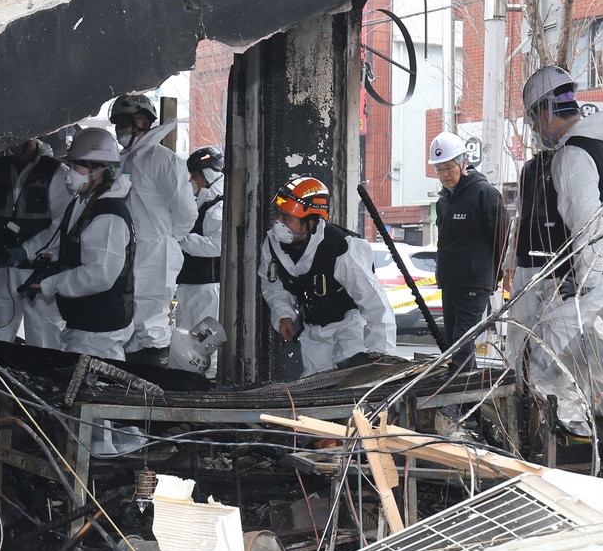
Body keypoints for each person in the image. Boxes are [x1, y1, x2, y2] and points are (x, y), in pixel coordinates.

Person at [509, 66, 603, 428]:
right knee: (590, 373)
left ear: (546, 112)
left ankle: (558, 447)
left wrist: (583, 283)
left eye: (535, 121)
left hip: (586, 289)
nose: (536, 129)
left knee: (544, 367)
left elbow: (587, 225)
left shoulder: (572, 156)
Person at [258, 176, 397, 376]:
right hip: (313, 332)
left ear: (311, 221)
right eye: (278, 215)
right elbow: (273, 285)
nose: (278, 224)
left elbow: (377, 307)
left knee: (350, 387)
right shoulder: (272, 245)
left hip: (350, 330)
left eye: (286, 218)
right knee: (315, 388)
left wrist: (380, 362)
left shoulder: (342, 249)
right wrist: (284, 315)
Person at [22, 127, 136, 359]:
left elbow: (99, 274)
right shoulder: (85, 202)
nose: (70, 173)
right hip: (85, 323)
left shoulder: (108, 213)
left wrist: (52, 284)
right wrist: (53, 257)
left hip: (99, 330)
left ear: (99, 170)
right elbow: (76, 244)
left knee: (94, 391)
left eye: (77, 166)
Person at [111, 94, 197, 367]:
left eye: (129, 120)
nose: (123, 127)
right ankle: (135, 388)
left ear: (145, 122)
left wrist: (166, 241)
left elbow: (186, 212)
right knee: (131, 324)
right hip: (130, 251)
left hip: (155, 251)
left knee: (151, 323)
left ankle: (156, 392)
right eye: (119, 121)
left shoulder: (162, 160)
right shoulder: (123, 160)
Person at [0, 137, 70, 353]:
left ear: (32, 136)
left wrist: (27, 250)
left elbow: (63, 223)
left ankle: (43, 386)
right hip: (1, 270)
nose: (12, 144)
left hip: (39, 274)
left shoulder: (56, 172)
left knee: (45, 343)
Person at [428, 131, 510, 370]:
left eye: (449, 168)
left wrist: (493, 275)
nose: (444, 175)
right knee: (453, 345)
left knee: (461, 344)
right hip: (451, 283)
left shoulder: (484, 193)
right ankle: (467, 401)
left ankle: (458, 403)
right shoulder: (444, 201)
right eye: (439, 169)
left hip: (474, 284)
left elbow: (502, 236)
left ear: (464, 162)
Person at [175, 145, 225, 337]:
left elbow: (218, 245)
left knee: (205, 349)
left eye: (195, 177)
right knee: (184, 345)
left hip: (206, 290)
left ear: (208, 176)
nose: (192, 182)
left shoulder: (217, 208)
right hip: (189, 286)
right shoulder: (201, 205)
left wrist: (182, 239)